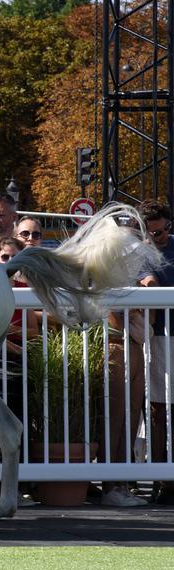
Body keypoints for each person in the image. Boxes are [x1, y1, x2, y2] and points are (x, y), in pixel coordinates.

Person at [135, 199, 174, 505]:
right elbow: (147, 281)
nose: (154, 239)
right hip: (160, 337)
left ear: (168, 226)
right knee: (159, 410)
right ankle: (163, 479)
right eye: (149, 234)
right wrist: (147, 283)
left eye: (159, 233)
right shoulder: (140, 253)